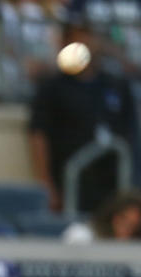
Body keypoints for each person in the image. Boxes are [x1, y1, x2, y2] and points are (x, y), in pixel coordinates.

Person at [29, 22, 138, 213]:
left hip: (113, 183)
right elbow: (39, 136)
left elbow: (132, 136)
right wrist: (46, 185)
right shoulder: (51, 88)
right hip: (70, 182)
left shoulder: (117, 85)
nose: (85, 43)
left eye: (89, 37)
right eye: (77, 39)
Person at [63, 190, 141, 243]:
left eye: (135, 226)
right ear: (114, 218)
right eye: (127, 223)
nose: (129, 231)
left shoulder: (135, 244)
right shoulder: (82, 234)